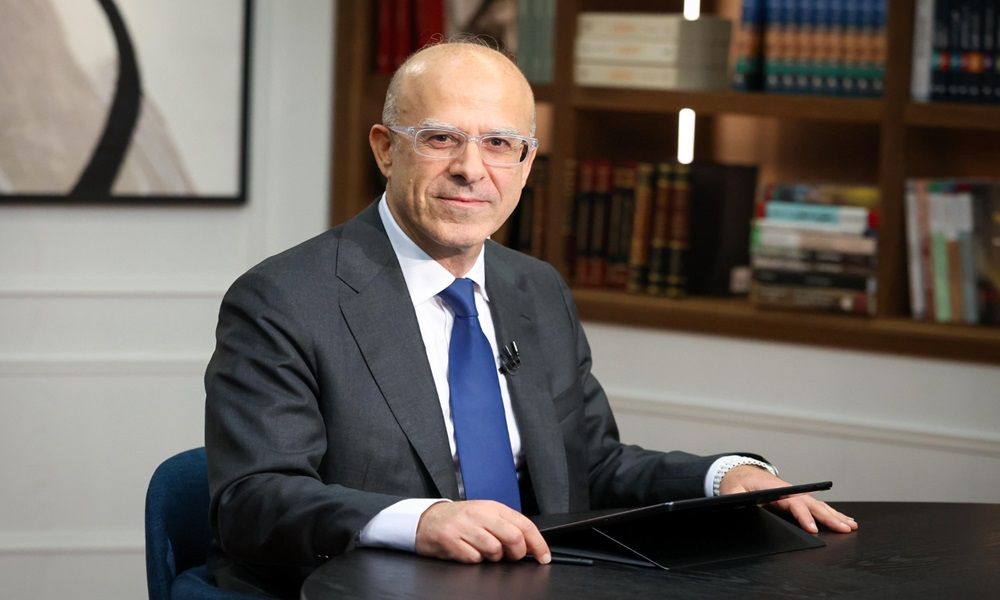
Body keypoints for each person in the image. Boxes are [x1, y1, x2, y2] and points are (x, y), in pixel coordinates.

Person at [204, 40, 857, 597]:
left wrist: (724, 478)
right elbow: (252, 498)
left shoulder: (536, 288)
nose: (471, 169)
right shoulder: (284, 299)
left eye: (499, 143)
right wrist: (419, 520)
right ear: (385, 150)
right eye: (440, 138)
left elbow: (589, 464)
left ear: (526, 164)